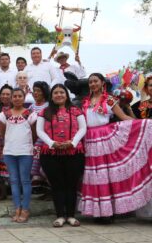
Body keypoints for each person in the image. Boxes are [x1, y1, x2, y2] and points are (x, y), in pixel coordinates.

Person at [79, 73, 152, 221]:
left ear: (102, 83)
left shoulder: (109, 99)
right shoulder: (85, 102)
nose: (93, 84)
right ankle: (98, 212)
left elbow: (123, 117)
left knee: (106, 175)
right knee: (94, 175)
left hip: (105, 138)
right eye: (91, 82)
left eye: (95, 81)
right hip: (89, 139)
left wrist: (143, 124)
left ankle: (108, 212)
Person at [37, 84, 87, 227]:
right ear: (51, 96)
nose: (59, 95)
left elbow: (83, 128)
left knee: (71, 185)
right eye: (56, 93)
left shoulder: (76, 110)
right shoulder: (44, 112)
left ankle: (71, 216)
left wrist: (73, 142)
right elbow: (39, 131)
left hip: (73, 152)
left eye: (61, 92)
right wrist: (52, 143)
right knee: (57, 185)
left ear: (66, 95)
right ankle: (59, 216)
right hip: (50, 153)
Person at [0, 88, 37, 223]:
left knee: (25, 180)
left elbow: (34, 133)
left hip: (26, 151)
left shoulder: (30, 114)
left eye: (20, 96)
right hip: (9, 151)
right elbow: (2, 133)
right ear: (11, 98)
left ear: (24, 97)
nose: (17, 98)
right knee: (13, 181)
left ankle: (25, 209)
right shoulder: (4, 114)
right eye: (15, 96)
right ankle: (17, 208)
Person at [0, 84, 13, 199]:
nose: (5, 96)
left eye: (8, 94)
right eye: (3, 94)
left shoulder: (16, 107)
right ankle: (2, 192)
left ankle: (15, 191)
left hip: (12, 139)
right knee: (0, 163)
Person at [29, 81, 50, 192]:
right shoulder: (32, 107)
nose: (36, 93)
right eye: (34, 90)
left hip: (45, 139)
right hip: (34, 138)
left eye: (38, 91)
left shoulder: (48, 106)